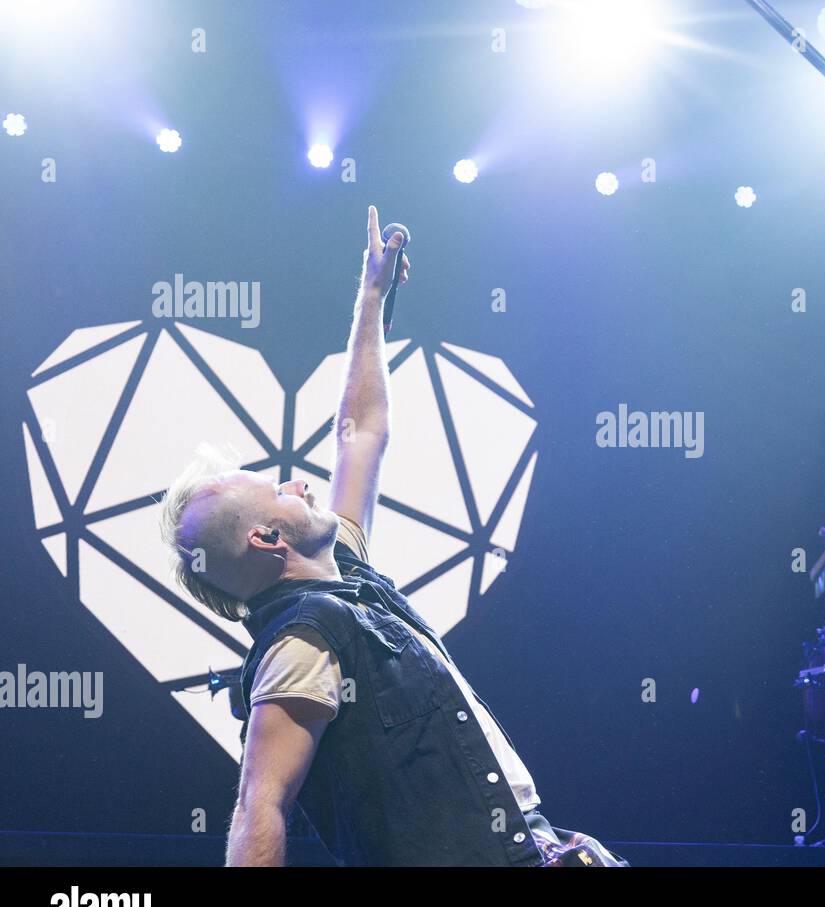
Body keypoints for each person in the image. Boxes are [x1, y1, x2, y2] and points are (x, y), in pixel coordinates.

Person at [159, 206, 622, 867]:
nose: (300, 484)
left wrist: (371, 298)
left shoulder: (344, 568)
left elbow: (364, 427)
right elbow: (260, 803)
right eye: (278, 488)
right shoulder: (301, 640)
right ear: (267, 538)